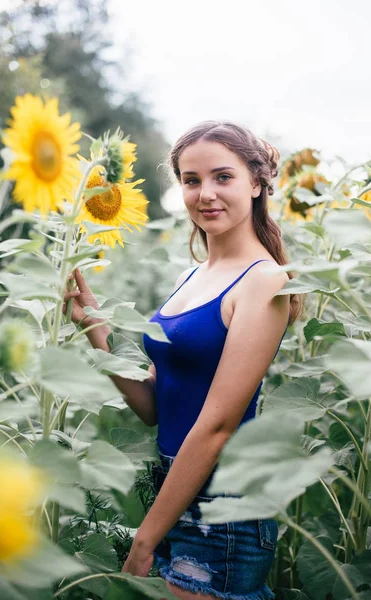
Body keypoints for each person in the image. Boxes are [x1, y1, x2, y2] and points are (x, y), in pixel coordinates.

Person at [64, 121, 301, 600]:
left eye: (222, 177)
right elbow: (155, 406)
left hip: (222, 504)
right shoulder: (191, 276)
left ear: (256, 183)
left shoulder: (264, 281)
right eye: (191, 181)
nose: (205, 194)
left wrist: (145, 538)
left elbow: (216, 425)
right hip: (171, 487)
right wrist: (93, 326)